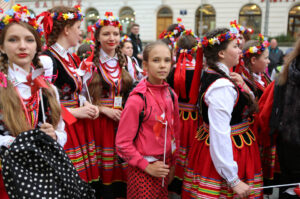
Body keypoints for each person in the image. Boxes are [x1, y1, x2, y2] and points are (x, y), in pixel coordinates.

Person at [182, 28, 263, 199]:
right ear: (221, 53)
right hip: (230, 151)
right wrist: (233, 179)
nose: (240, 50)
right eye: (235, 46)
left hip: (220, 146)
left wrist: (244, 88)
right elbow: (220, 133)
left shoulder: (217, 74)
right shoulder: (222, 86)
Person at [0, 4, 66, 198]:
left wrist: (53, 136)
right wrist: (15, 142)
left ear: (38, 46)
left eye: (29, 40)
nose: (22, 46)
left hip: (42, 178)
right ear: (2, 47)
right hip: (7, 177)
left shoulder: (48, 89)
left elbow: (62, 132)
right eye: (13, 40)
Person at [38, 4, 100, 188]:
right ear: (66, 29)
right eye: (78, 28)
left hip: (76, 127)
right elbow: (44, 106)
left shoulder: (68, 57)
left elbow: (73, 92)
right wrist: (78, 112)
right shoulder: (48, 60)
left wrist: (86, 104)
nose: (81, 33)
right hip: (64, 128)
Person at [116, 41, 180, 198]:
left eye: (167, 60)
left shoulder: (171, 95)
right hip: (142, 172)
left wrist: (172, 165)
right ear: (145, 65)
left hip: (164, 168)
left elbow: (175, 133)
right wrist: (146, 166)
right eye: (156, 60)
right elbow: (122, 144)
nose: (162, 65)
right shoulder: (137, 99)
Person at [86, 12, 133, 198]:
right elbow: (81, 98)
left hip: (123, 121)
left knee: (121, 166)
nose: (111, 38)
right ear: (97, 37)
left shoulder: (128, 62)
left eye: (115, 33)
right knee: (103, 166)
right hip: (99, 123)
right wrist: (103, 109)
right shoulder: (89, 64)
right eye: (106, 34)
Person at [257, 38, 300, 199]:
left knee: (288, 187)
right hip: (290, 145)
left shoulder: (288, 69)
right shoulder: (287, 72)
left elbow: (270, 109)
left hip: (287, 142)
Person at [167, 30, 202, 195]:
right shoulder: (200, 70)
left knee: (176, 150)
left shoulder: (171, 70)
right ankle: (189, 187)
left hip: (176, 118)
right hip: (194, 119)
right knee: (191, 153)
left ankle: (172, 185)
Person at [242, 34, 271, 99]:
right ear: (253, 60)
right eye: (266, 58)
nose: (269, 61)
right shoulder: (243, 82)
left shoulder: (262, 76)